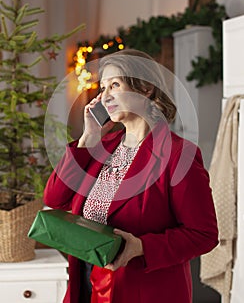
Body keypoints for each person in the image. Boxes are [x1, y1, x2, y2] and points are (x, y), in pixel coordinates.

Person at [43, 49, 218, 303]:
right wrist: (89, 137)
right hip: (86, 287)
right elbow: (55, 198)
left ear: (146, 88)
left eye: (115, 84)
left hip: (143, 292)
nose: (105, 97)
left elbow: (203, 234)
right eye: (103, 88)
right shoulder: (102, 146)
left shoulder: (179, 154)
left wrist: (142, 247)